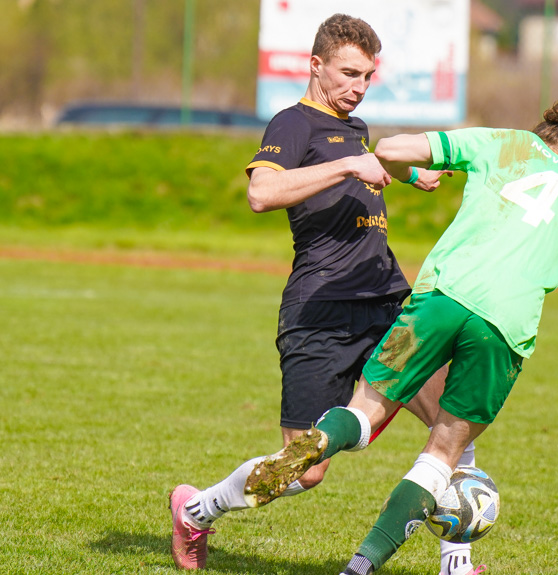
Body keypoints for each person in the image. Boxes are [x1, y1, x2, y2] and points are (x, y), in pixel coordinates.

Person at [170, 99, 558, 575]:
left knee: (360, 418)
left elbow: (391, 148)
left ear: (539, 138)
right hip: (502, 330)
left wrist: (412, 171)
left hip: (434, 304)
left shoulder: (504, 143)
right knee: (446, 449)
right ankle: (357, 566)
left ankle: (449, 560)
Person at [168, 13, 475, 574]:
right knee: (305, 468)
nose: (358, 87)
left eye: (367, 77)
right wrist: (348, 166)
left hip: (387, 303)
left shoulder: (354, 129)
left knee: (451, 421)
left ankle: (457, 564)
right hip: (319, 313)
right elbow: (262, 193)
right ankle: (196, 509)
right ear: (315, 66)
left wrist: (409, 174)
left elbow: (365, 161)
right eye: (348, 73)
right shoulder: (292, 123)